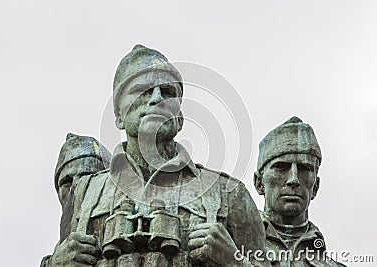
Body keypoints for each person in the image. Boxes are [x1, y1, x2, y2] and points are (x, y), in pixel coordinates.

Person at [51, 44, 270, 267]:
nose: (157, 99)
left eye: (167, 92)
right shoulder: (83, 194)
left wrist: (234, 262)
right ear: (118, 116)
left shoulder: (229, 193)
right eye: (142, 91)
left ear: (180, 116)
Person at [253, 116, 345, 266]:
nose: (293, 179)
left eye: (304, 169)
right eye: (280, 167)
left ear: (315, 187)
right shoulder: (227, 242)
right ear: (259, 183)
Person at [40, 133, 112, 267]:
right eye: (66, 182)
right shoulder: (57, 254)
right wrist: (53, 263)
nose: (76, 185)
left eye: (87, 176)